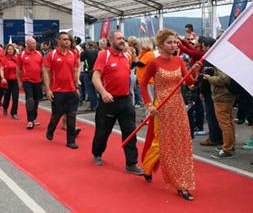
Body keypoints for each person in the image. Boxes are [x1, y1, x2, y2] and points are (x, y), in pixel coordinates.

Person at [140, 29, 198, 201]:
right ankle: (174, 181)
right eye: (169, 42)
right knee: (164, 144)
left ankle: (182, 181)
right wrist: (149, 105)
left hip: (178, 107)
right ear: (161, 44)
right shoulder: (154, 63)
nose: (173, 45)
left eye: (175, 42)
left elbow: (189, 83)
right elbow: (143, 85)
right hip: (161, 108)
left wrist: (194, 70)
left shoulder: (179, 61)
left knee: (181, 145)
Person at [91, 30, 143, 176]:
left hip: (125, 101)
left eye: (123, 38)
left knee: (130, 132)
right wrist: (103, 93)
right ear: (111, 40)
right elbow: (95, 77)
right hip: (108, 100)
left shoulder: (127, 56)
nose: (122, 41)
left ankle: (131, 163)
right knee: (103, 131)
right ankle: (97, 153)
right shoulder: (104, 55)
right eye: (119, 38)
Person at [43, 32, 80, 149]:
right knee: (56, 115)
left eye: (68, 39)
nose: (67, 41)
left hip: (71, 91)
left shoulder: (73, 54)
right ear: (58, 41)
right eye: (64, 39)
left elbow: (75, 71)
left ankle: (71, 141)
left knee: (71, 116)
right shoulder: (52, 55)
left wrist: (76, 87)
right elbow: (46, 72)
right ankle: (51, 129)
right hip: (57, 91)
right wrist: (48, 89)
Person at [204, 67, 237, 159]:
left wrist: (209, 78)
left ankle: (227, 149)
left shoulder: (223, 64)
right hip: (226, 96)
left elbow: (223, 79)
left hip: (222, 96)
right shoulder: (225, 64)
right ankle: (230, 146)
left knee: (225, 123)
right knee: (229, 122)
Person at [16, 37, 43, 129]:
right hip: (27, 81)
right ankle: (30, 120)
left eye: (35, 43)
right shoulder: (22, 54)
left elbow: (43, 68)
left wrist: (44, 81)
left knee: (36, 101)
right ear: (27, 44)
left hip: (38, 81)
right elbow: (18, 69)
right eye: (32, 43)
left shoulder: (39, 53)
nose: (35, 45)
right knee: (30, 100)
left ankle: (34, 117)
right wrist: (19, 82)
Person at [0, 44, 19, 119]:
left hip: (15, 81)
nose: (10, 50)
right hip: (6, 81)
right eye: (9, 49)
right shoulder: (3, 58)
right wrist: (2, 78)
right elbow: (1, 68)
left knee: (15, 97)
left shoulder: (17, 58)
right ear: (6, 50)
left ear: (14, 50)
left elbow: (20, 69)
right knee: (7, 97)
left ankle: (14, 113)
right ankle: (5, 107)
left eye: (11, 49)